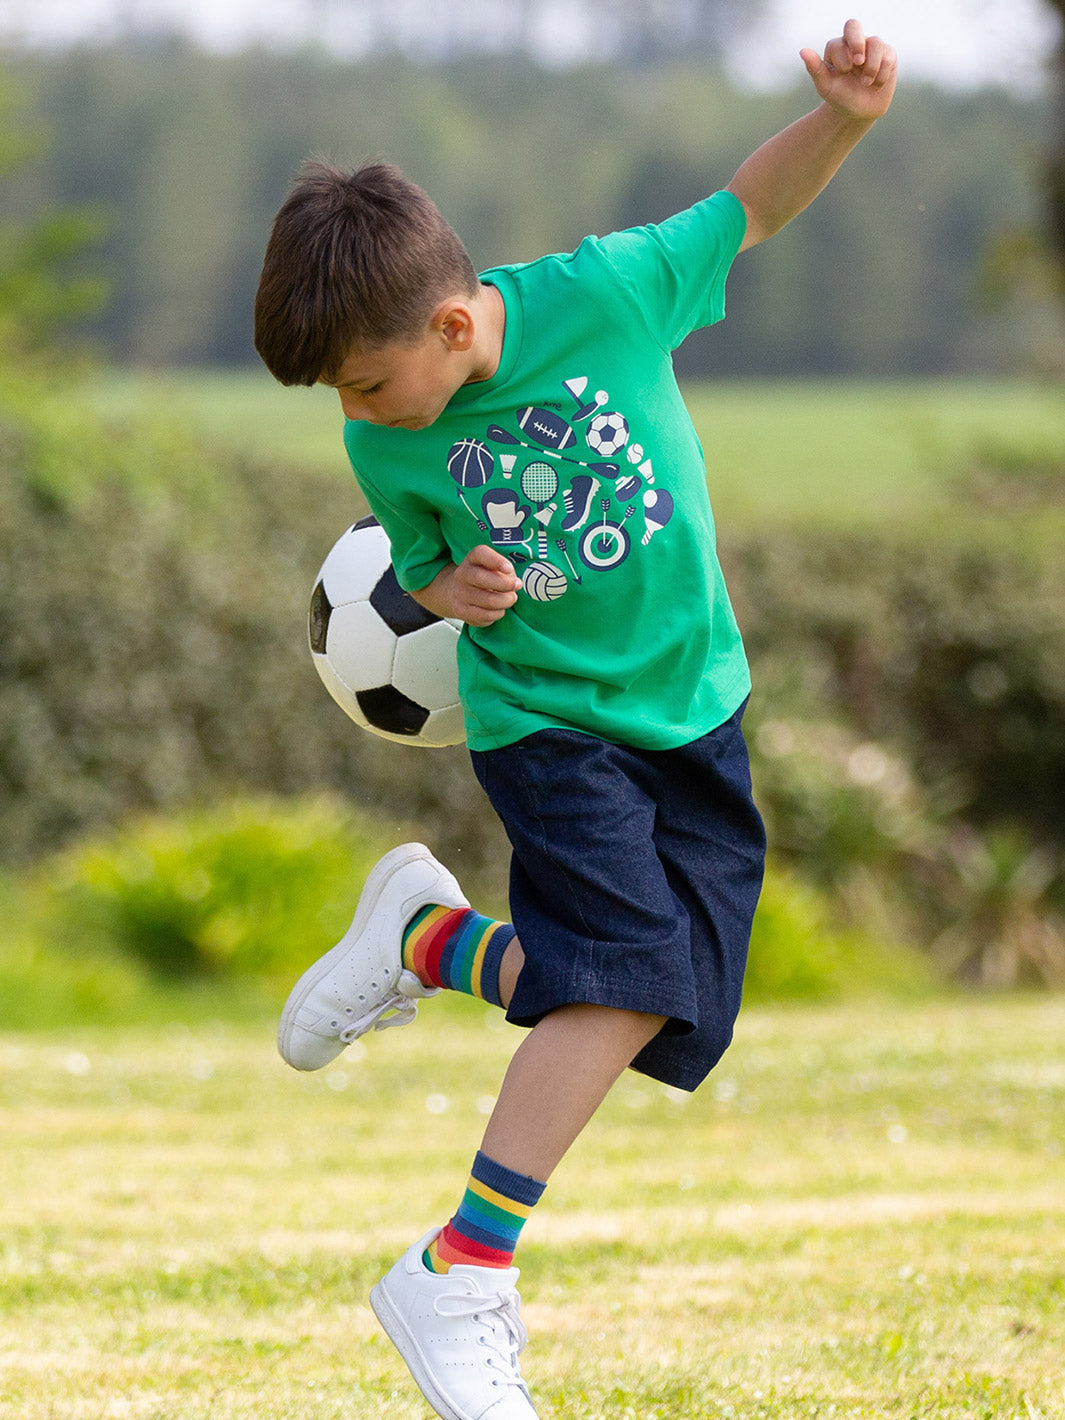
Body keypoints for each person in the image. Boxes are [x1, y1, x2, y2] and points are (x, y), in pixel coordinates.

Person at [254, 20, 897, 1420]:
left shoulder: (610, 292)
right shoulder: (384, 436)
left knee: (673, 1006)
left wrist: (840, 121)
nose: (357, 418)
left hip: (694, 706)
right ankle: (462, 1266)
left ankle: (426, 939)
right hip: (546, 721)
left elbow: (750, 206)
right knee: (618, 978)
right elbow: (413, 564)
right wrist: (446, 582)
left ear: (445, 323)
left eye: (365, 382)